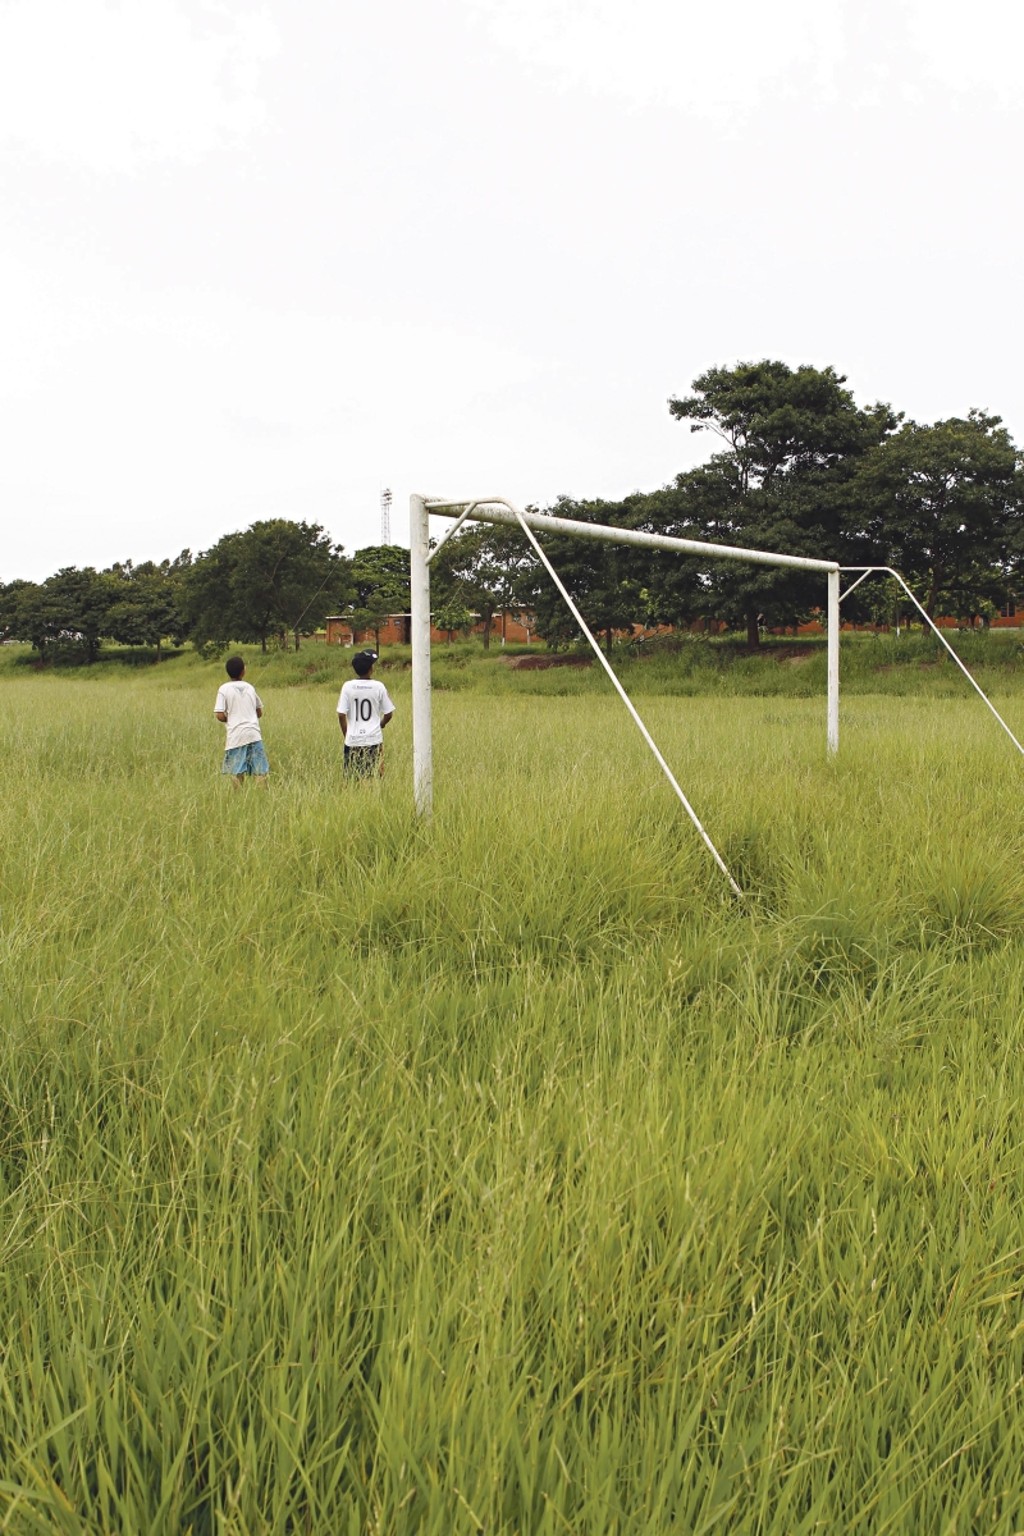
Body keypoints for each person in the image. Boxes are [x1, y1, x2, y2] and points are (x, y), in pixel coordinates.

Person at [214, 655, 269, 786]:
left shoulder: (223, 689)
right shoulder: (250, 687)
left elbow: (219, 715)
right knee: (260, 771)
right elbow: (259, 712)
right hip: (254, 734)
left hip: (236, 737)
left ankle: (238, 798)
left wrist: (231, 718)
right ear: (243, 671)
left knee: (236, 771)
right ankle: (262, 797)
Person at [338, 649, 395, 777]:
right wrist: (381, 724)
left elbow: (341, 715)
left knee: (351, 778)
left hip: (352, 740)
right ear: (371, 669)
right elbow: (389, 713)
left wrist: (347, 734)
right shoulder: (378, 686)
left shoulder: (347, 686)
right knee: (375, 777)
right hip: (373, 739)